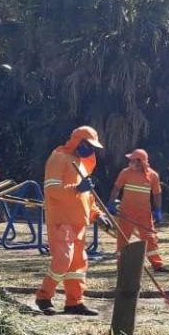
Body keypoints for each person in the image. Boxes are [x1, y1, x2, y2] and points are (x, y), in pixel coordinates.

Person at [35, 126, 108, 316]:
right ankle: (44, 297)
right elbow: (52, 190)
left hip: (79, 223)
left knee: (78, 265)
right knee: (63, 260)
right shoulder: (58, 158)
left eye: (92, 147)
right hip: (61, 221)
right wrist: (77, 188)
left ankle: (74, 302)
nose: (90, 150)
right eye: (88, 145)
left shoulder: (82, 164)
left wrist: (97, 214)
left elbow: (87, 197)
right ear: (78, 141)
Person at [109, 148, 168, 273]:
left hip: (144, 213)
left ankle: (157, 265)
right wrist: (111, 204)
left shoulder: (153, 175)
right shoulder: (125, 173)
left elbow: (157, 194)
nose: (130, 162)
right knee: (123, 238)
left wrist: (158, 210)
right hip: (126, 212)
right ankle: (121, 265)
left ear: (141, 162)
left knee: (149, 237)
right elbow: (116, 188)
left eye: (132, 160)